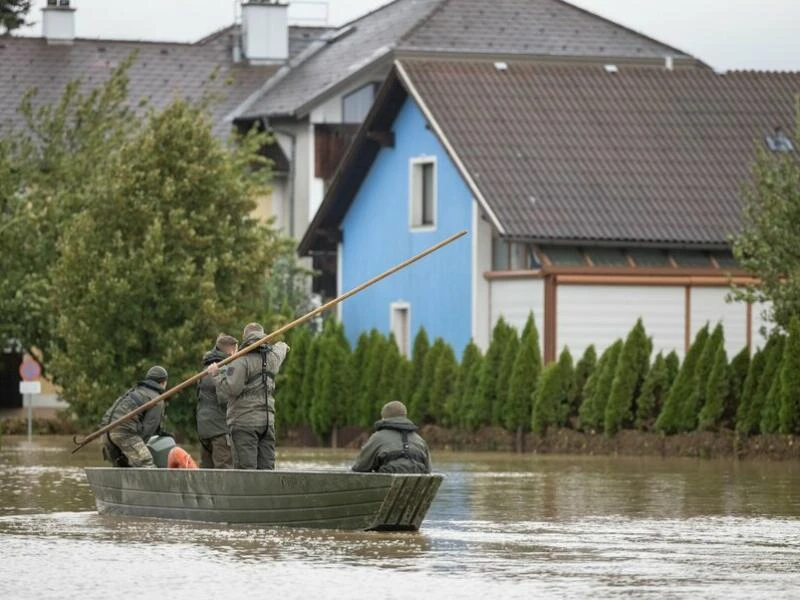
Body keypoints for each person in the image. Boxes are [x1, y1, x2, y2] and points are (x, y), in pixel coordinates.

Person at [209, 323, 289, 470]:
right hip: (267, 423)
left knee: (246, 472)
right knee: (267, 470)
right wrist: (280, 344)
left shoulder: (240, 362)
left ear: (245, 338)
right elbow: (282, 347)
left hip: (243, 423)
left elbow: (231, 389)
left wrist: (216, 373)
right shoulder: (273, 358)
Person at [100, 365, 169, 468]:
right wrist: (140, 446)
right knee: (146, 462)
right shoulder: (157, 400)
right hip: (124, 432)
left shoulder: (135, 391)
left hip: (105, 432)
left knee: (123, 465)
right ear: (163, 382)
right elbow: (148, 429)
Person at [351, 400, 432, 474]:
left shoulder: (377, 437)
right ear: (405, 416)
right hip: (416, 484)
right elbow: (428, 470)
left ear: (384, 418)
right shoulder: (419, 439)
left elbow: (360, 467)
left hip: (386, 483)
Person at [196, 333, 238, 469]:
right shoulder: (225, 369)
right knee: (224, 472)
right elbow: (224, 399)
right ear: (231, 351)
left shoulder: (205, 369)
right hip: (220, 431)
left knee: (206, 473)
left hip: (203, 429)